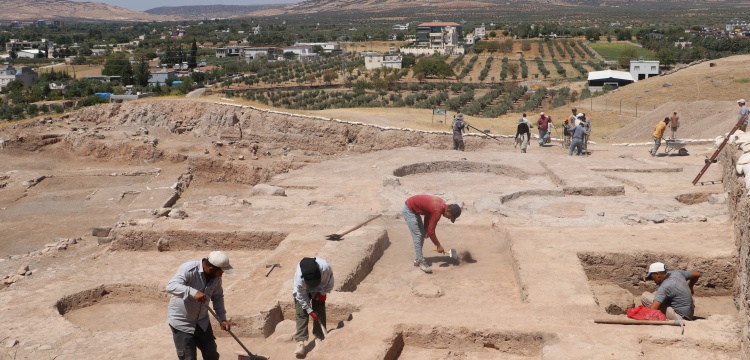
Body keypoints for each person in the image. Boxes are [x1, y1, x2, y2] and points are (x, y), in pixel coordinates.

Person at [166, 251, 234, 360]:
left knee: (211, 355)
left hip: (202, 322)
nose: (222, 274)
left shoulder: (216, 278)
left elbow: (217, 298)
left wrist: (222, 319)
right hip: (183, 323)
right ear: (210, 269)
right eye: (221, 272)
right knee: (188, 357)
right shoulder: (189, 269)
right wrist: (192, 292)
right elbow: (171, 286)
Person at [402, 195, 462, 274]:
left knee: (422, 234)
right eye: (450, 217)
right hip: (409, 210)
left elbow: (428, 214)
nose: (448, 218)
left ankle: (418, 259)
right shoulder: (437, 210)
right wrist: (438, 245)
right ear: (448, 211)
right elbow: (431, 232)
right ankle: (421, 261)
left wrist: (426, 228)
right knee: (418, 236)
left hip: (413, 209)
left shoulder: (441, 204)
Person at [293, 257, 334, 356]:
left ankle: (319, 337)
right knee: (302, 313)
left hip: (320, 289)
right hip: (304, 291)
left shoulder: (325, 268)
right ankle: (300, 343)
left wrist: (323, 294)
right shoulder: (299, 278)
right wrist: (309, 311)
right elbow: (301, 297)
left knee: (319, 311)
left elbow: (330, 283)